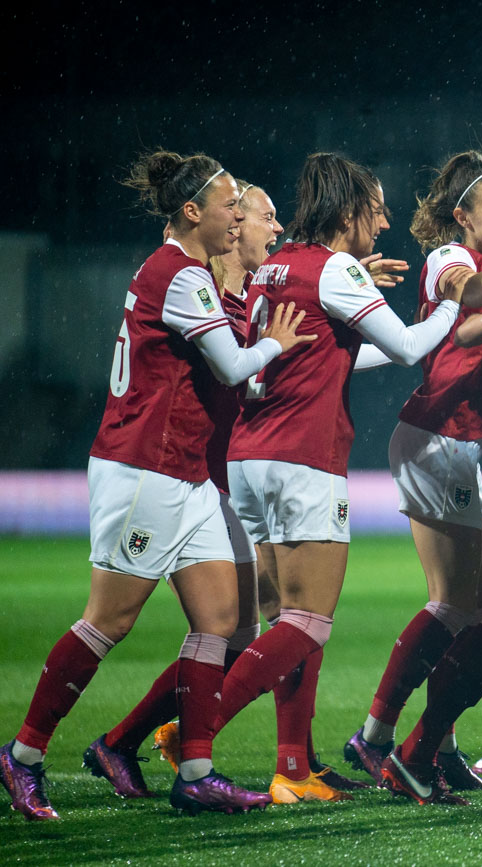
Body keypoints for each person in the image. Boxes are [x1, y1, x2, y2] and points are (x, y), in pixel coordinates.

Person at [0, 151, 312, 819]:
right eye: (230, 203)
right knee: (108, 619)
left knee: (221, 620)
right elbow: (232, 366)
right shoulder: (175, 273)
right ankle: (23, 754)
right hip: (142, 469)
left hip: (185, 472)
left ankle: (195, 770)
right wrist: (275, 344)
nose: (239, 214)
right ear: (193, 211)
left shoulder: (191, 272)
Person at [206, 152, 465, 791]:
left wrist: (366, 306)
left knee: (285, 621)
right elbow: (406, 347)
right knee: (309, 621)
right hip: (303, 457)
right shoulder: (335, 267)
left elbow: (326, 354)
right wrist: (453, 312)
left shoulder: (274, 266)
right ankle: (187, 731)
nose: (383, 223)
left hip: (249, 455)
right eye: (374, 209)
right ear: (347, 210)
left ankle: (292, 763)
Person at [343, 151, 482, 796]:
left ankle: (437, 746)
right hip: (437, 437)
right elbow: (470, 301)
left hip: (466, 443)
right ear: (462, 216)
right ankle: (378, 737)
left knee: (473, 607)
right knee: (454, 603)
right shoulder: (447, 258)